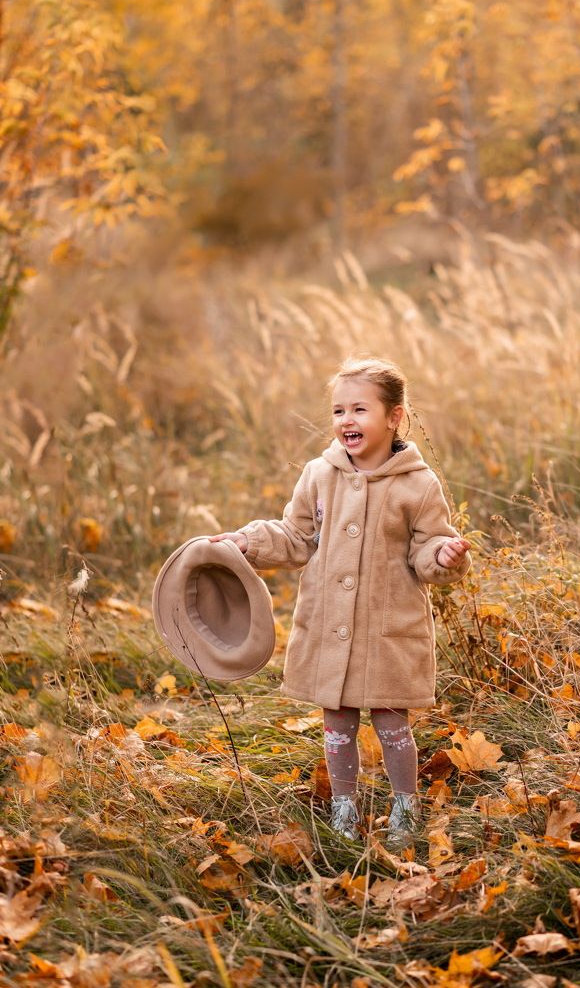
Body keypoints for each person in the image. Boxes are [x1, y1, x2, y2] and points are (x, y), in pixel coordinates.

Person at [208, 356, 472, 848]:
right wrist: (249, 541)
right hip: (331, 623)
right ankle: (344, 808)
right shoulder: (318, 474)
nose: (346, 421)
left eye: (359, 409)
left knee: (392, 721)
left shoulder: (418, 483)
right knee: (336, 721)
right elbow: (296, 535)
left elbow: (427, 549)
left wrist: (445, 554)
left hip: (387, 627)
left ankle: (405, 808)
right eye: (338, 411)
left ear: (394, 417)